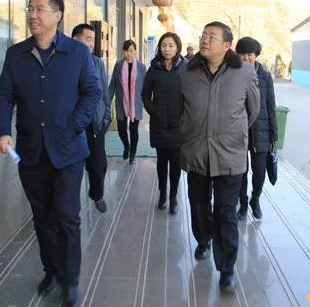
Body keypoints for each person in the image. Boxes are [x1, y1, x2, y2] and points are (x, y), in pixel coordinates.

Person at [0, 0, 100, 307]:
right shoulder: (16, 54)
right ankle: (51, 269)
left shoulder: (77, 53)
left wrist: (75, 125)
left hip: (68, 150)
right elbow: (3, 96)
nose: (33, 15)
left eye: (40, 9)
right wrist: (2, 131)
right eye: (30, 9)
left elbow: (92, 92)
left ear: (57, 15)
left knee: (67, 216)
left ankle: (70, 281)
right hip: (31, 151)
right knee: (43, 217)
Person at [179, 21, 260, 292]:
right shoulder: (186, 71)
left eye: (212, 37)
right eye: (203, 35)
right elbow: (180, 108)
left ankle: (226, 268)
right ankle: (203, 239)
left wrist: (232, 132)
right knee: (199, 204)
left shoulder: (244, 72)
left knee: (226, 212)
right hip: (196, 151)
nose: (205, 40)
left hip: (230, 155)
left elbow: (253, 111)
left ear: (227, 45)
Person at [141, 32, 187, 214]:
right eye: (164, 45)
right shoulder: (154, 68)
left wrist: (184, 115)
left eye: (171, 46)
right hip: (159, 124)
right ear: (159, 47)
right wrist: (154, 111)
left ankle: (173, 197)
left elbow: (191, 95)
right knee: (161, 162)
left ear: (177, 48)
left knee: (176, 163)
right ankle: (162, 193)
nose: (167, 49)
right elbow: (145, 94)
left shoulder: (185, 68)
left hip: (178, 126)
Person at [235, 37, 278, 221]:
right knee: (241, 171)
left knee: (259, 172)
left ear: (256, 55)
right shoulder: (233, 73)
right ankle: (243, 203)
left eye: (250, 54)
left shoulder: (265, 76)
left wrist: (274, 136)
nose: (246, 57)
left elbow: (271, 105)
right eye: (242, 54)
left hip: (261, 132)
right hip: (239, 130)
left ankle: (255, 199)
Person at [72, 23, 112, 213]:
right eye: (87, 39)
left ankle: (97, 194)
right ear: (75, 39)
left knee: (98, 164)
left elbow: (104, 92)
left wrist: (107, 116)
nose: (91, 44)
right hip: (73, 123)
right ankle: (70, 201)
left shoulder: (98, 63)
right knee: (73, 165)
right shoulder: (65, 62)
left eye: (92, 40)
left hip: (95, 122)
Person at [109, 40, 146, 164]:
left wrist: (147, 101)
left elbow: (146, 86)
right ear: (123, 51)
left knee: (134, 129)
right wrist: (107, 101)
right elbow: (113, 85)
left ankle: (133, 153)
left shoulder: (141, 67)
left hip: (136, 103)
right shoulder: (118, 66)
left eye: (131, 51)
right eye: (126, 51)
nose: (128, 54)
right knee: (121, 128)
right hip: (121, 102)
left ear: (135, 51)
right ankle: (127, 146)